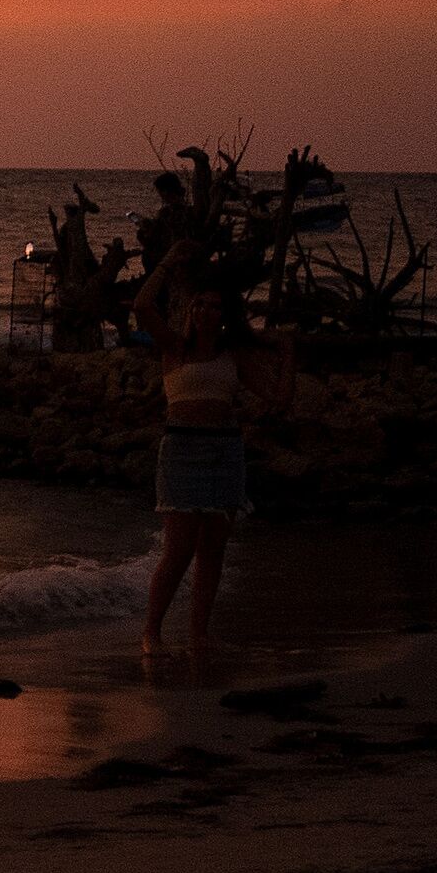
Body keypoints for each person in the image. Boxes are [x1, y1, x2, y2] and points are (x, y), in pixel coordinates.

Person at [134, 251, 289, 663]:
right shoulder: (174, 347)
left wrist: (288, 353)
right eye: (199, 303)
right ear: (190, 309)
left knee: (213, 550)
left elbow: (278, 399)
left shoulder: (233, 355)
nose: (205, 311)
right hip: (181, 451)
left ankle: (199, 634)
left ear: (224, 315)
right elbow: (142, 306)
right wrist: (167, 263)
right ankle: (151, 633)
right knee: (179, 550)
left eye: (214, 306)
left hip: (224, 452)